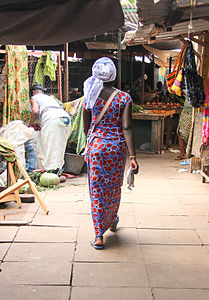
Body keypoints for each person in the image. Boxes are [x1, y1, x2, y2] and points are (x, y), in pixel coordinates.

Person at [82, 57, 139, 250]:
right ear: (114, 75)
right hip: (116, 149)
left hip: (96, 148)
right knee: (114, 187)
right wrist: (133, 157)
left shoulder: (89, 96)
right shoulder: (124, 98)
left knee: (97, 189)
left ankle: (99, 235)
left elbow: (86, 127)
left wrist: (95, 142)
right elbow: (127, 128)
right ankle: (112, 220)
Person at [28, 83, 71, 175]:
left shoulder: (34, 98)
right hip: (65, 119)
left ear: (33, 92)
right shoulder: (50, 98)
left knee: (48, 147)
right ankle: (57, 171)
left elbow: (35, 112)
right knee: (59, 148)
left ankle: (49, 173)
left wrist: (29, 124)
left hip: (53, 120)